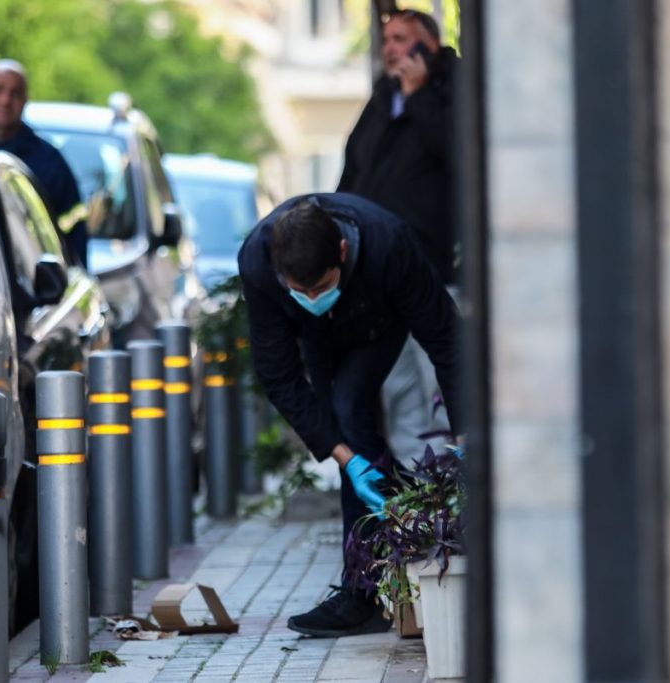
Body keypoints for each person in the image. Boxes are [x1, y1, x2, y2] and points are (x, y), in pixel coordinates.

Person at [237, 194, 459, 638]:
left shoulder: (388, 244)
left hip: (378, 323)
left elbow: (446, 340)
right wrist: (347, 459)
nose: (312, 297)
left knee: (349, 409)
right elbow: (279, 376)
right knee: (346, 437)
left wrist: (470, 438)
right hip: (316, 339)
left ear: (341, 251)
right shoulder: (259, 263)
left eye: (320, 286)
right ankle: (381, 569)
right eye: (299, 291)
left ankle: (365, 590)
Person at [338, 9, 458, 467]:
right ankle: (423, 505)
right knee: (399, 393)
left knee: (439, 394)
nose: (391, 48)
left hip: (434, 269)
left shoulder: (450, 91)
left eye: (402, 38)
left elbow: (457, 154)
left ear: (428, 45)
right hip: (377, 275)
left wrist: (419, 94)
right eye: (386, 39)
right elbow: (354, 170)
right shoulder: (383, 98)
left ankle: (455, 498)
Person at [0, 59, 88, 267]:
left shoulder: (49, 162)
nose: (5, 100)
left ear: (25, 101)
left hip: (32, 285)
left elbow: (73, 233)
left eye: (15, 93)